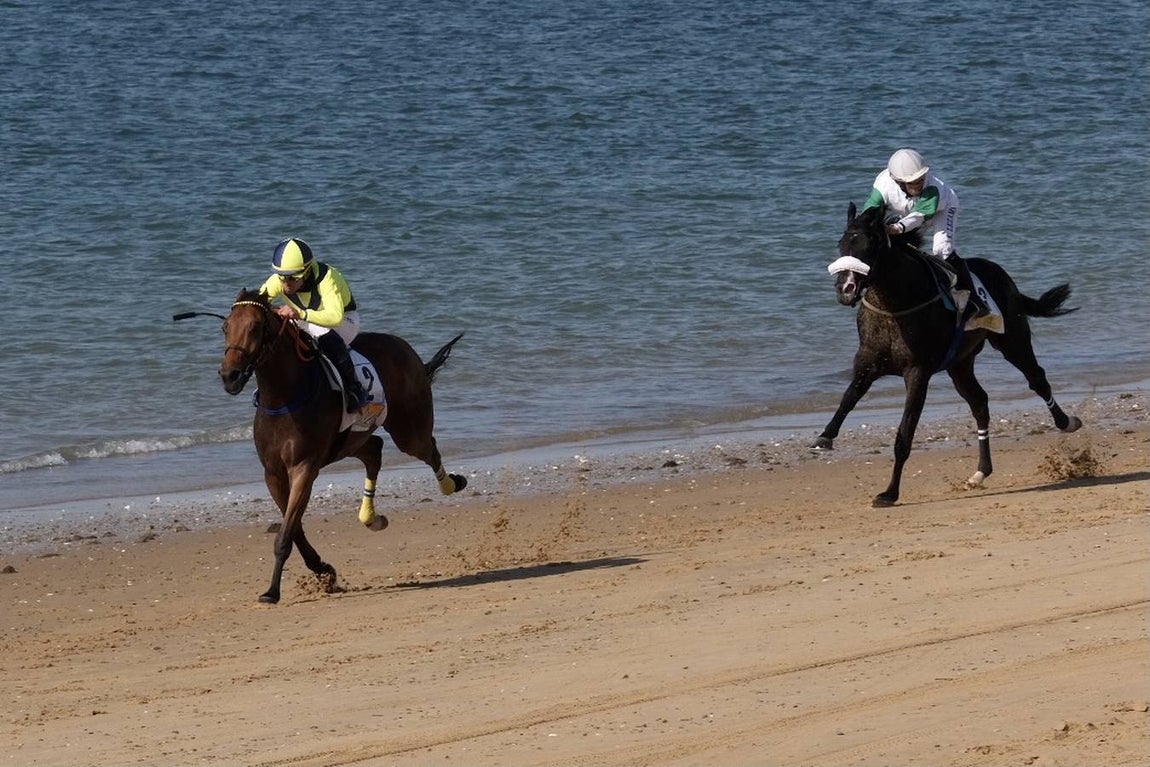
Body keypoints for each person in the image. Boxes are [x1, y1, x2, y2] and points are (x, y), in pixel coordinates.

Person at [862, 148, 989, 318]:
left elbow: (918, 217)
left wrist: (897, 228)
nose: (919, 184)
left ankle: (976, 302)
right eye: (913, 182)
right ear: (898, 181)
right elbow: (870, 209)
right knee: (905, 248)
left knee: (942, 250)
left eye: (920, 179)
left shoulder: (932, 188)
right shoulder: (883, 185)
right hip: (910, 213)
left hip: (941, 209)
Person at [259, 237, 369, 413]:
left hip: (345, 321)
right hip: (307, 320)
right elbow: (257, 303)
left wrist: (300, 314)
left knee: (319, 330)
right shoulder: (278, 280)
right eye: (282, 277)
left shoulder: (327, 278)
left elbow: (335, 317)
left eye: (293, 278)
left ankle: (354, 389)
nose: (286, 283)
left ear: (307, 271)